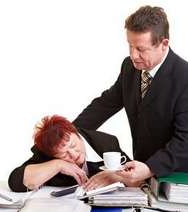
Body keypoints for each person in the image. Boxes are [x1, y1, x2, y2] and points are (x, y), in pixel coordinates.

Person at [73, 5, 188, 190]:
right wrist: (70, 134)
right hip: (140, 177)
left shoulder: (184, 77)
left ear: (164, 44)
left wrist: (150, 168)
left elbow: (185, 142)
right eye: (130, 45)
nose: (133, 55)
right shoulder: (130, 67)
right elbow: (106, 103)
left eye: (141, 49)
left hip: (177, 180)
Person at [8, 115, 129, 192]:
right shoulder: (46, 151)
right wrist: (58, 165)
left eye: (73, 145)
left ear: (76, 133)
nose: (73, 154)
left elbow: (137, 176)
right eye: (64, 154)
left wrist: (116, 177)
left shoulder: (105, 143)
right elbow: (15, 181)